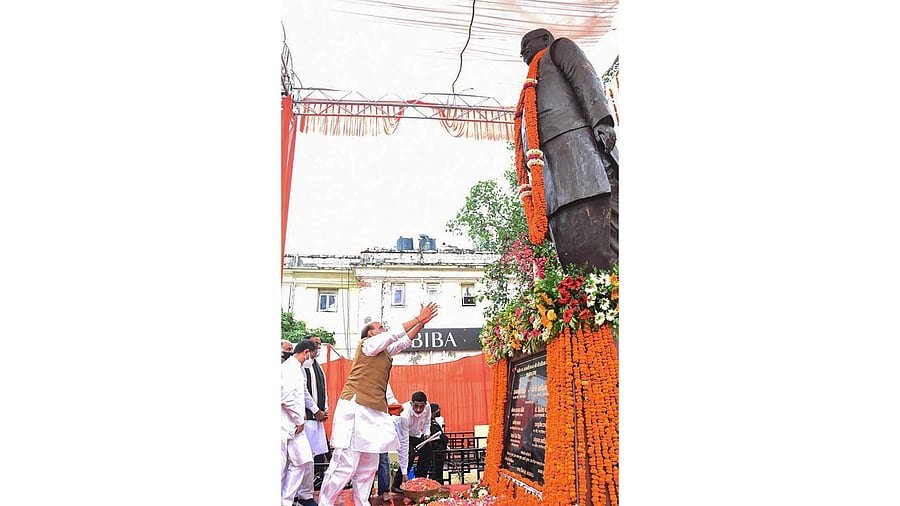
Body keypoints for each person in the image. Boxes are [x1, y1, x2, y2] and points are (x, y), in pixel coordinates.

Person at [316, 302, 439, 506]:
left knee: (369, 464)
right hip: (355, 408)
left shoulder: (384, 351)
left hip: (374, 411)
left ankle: (361, 501)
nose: (384, 329)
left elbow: (404, 341)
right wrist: (417, 319)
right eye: (380, 327)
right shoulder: (367, 345)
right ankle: (325, 503)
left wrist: (422, 323)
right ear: (371, 333)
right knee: (345, 463)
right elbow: (392, 336)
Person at [518, 28, 620, 273]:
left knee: (610, 238)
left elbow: (586, 80)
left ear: (545, 39)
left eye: (526, 44)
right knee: (576, 252)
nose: (522, 52)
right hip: (556, 183)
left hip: (586, 160)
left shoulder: (558, 49)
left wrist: (601, 121)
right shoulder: (528, 91)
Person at [282, 340, 320, 506]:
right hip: (287, 425)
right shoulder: (290, 369)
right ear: (306, 352)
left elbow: (301, 394)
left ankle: (286, 500)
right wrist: (298, 419)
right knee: (282, 466)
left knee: (304, 460)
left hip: (293, 426)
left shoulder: (295, 369)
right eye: (313, 355)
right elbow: (287, 398)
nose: (312, 359)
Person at [294, 335, 329, 505]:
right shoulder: (302, 366)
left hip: (317, 419)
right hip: (306, 418)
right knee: (303, 458)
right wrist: (316, 411)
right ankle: (303, 495)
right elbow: (304, 391)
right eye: (316, 345)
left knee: (313, 457)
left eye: (320, 345)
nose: (318, 348)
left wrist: (325, 408)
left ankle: (305, 494)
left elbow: (323, 388)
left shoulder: (317, 366)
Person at [390, 391, 432, 492]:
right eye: (416, 406)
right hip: (401, 434)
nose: (418, 410)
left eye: (421, 406)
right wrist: (405, 474)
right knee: (410, 454)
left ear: (425, 404)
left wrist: (427, 433)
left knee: (428, 449)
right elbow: (404, 444)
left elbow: (427, 422)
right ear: (411, 403)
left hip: (416, 434)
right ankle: (397, 484)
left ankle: (420, 480)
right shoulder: (404, 416)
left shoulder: (428, 408)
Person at [427, 402, 449, 484]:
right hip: (436, 452)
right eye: (438, 409)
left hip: (439, 451)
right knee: (435, 472)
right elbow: (438, 436)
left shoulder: (434, 421)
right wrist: (445, 438)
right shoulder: (430, 423)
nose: (439, 411)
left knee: (438, 471)